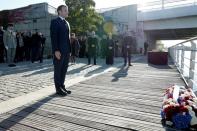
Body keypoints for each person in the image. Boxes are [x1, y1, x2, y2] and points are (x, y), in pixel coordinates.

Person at [50, 4, 71, 96]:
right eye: (65, 10)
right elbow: (54, 37)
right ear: (59, 11)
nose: (67, 12)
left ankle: (62, 86)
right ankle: (58, 89)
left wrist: (70, 51)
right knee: (58, 70)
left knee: (64, 70)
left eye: (67, 10)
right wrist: (56, 50)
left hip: (66, 51)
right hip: (59, 51)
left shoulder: (67, 23)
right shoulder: (55, 22)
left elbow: (68, 38)